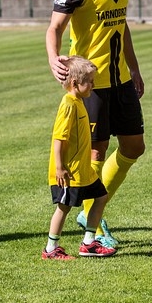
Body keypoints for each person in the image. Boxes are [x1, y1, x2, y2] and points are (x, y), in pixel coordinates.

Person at [46, 0, 146, 249]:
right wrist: (53, 58)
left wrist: (134, 68)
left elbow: (122, 24)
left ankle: (90, 212)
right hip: (92, 83)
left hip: (121, 79)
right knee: (96, 152)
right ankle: (93, 222)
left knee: (134, 147)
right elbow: (55, 27)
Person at [43, 56, 117, 260]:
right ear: (75, 83)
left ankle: (88, 243)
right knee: (64, 207)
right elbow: (59, 138)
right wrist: (60, 168)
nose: (93, 85)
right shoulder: (69, 104)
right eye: (90, 81)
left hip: (84, 171)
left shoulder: (79, 101)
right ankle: (51, 248)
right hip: (70, 172)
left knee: (101, 197)